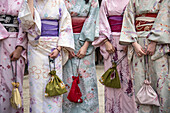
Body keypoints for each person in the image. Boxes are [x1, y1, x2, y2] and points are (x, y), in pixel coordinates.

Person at [18, 0, 75, 112]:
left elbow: (66, 26)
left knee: (54, 85)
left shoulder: (59, 2)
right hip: (36, 48)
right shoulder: (30, 2)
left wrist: (59, 48)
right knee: (36, 88)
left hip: (54, 48)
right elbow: (26, 25)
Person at [119, 0, 170, 112]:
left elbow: (165, 16)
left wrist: (154, 41)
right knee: (140, 81)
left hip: (158, 45)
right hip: (138, 43)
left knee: (161, 81)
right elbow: (128, 19)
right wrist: (134, 44)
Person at [92, 0, 136, 113]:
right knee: (112, 76)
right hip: (110, 41)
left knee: (128, 78)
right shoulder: (106, 2)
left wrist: (128, 41)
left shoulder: (132, 1)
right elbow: (101, 21)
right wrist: (106, 42)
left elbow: (133, 20)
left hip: (127, 40)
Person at [62, 0, 99, 112]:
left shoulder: (93, 1)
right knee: (68, 78)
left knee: (87, 79)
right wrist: (67, 46)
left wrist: (85, 45)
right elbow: (62, 20)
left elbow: (93, 20)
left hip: (86, 42)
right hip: (67, 40)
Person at [0, 0, 27, 113]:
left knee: (13, 82)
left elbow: (26, 23)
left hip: (15, 42)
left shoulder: (24, 1)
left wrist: (20, 47)